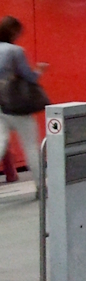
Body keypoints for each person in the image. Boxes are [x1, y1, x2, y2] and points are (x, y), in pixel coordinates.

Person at [0, 16, 48, 195]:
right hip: (15, 105)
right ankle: (41, 187)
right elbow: (30, 77)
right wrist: (40, 70)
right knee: (30, 146)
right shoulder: (15, 51)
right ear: (13, 31)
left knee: (0, 141)